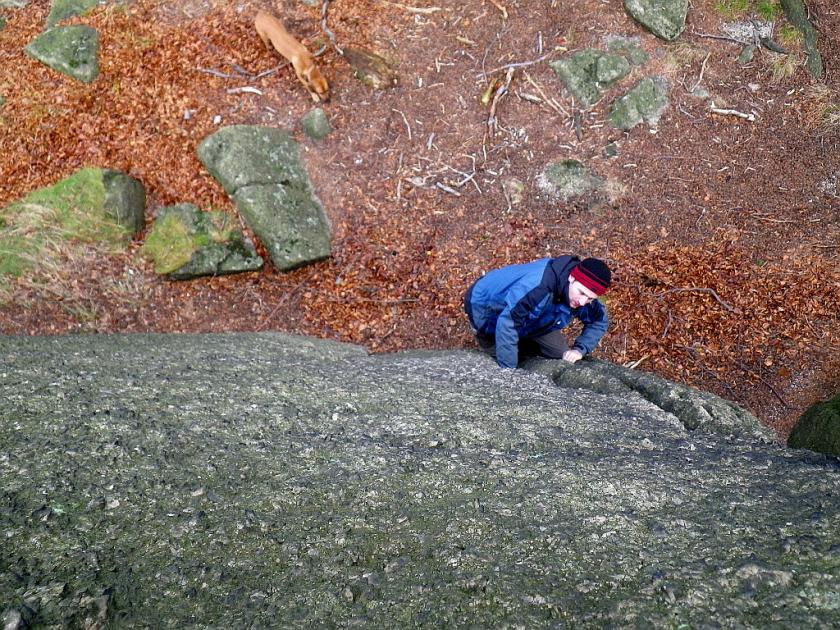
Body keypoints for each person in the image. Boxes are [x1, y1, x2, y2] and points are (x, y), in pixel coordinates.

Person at [463, 255, 611, 369]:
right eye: (581, 293)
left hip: (537, 315)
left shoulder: (582, 294)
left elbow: (599, 321)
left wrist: (580, 349)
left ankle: (525, 342)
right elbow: (508, 324)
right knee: (500, 355)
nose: (582, 302)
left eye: (590, 298)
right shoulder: (538, 285)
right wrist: (510, 374)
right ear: (572, 277)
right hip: (485, 304)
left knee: (562, 356)